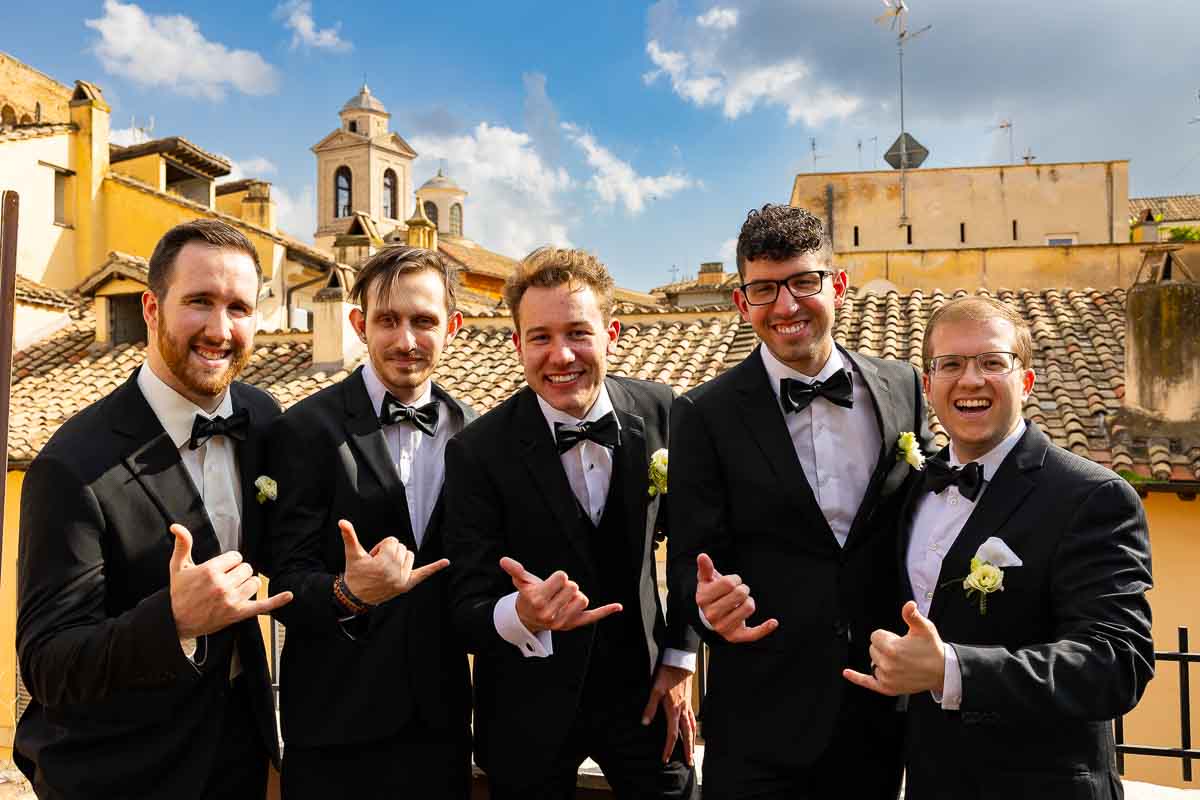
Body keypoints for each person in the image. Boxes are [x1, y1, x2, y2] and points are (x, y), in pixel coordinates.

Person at [15, 219, 291, 800]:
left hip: (240, 756)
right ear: (151, 307)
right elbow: (47, 665)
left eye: (239, 307)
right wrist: (173, 621)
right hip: (121, 773)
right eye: (199, 302)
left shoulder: (264, 419)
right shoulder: (70, 466)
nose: (220, 329)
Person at [843, 296, 1154, 799]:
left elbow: (1116, 662)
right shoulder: (908, 491)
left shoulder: (1091, 496)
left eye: (992, 362)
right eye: (951, 365)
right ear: (928, 385)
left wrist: (952, 669)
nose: (970, 380)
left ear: (1025, 382)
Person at [667, 204, 930, 799]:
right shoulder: (702, 414)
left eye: (803, 283)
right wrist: (707, 607)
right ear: (742, 303)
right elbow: (687, 562)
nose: (785, 307)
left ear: (836, 285)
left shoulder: (902, 387)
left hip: (876, 712)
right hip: (758, 720)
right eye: (764, 289)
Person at [443, 247, 699, 800]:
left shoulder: (664, 412)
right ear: (517, 345)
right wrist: (520, 613)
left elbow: (693, 547)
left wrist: (679, 659)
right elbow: (463, 604)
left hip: (648, 696)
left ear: (612, 334)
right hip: (525, 710)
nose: (560, 355)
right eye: (539, 337)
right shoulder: (475, 451)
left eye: (578, 333)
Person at [265, 245, 473, 799]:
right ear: (359, 324)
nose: (406, 340)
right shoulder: (305, 430)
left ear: (451, 326)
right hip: (336, 731)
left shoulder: (473, 433)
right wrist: (347, 592)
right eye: (388, 320)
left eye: (424, 321)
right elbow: (284, 580)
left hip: (442, 730)